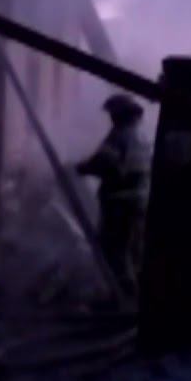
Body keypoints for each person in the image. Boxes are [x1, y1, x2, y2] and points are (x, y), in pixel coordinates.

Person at [76, 93, 151, 299]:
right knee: (133, 251)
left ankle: (121, 297)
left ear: (120, 115)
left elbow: (103, 163)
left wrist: (80, 168)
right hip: (139, 202)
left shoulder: (119, 135)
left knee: (113, 250)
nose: (110, 118)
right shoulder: (142, 136)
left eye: (112, 114)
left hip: (118, 204)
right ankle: (133, 297)